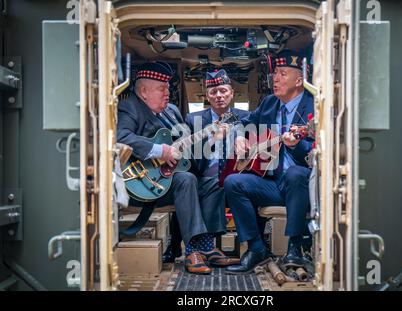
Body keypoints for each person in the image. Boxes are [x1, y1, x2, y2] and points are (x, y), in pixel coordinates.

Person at [117, 61, 233, 274]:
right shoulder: (130, 107)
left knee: (214, 182)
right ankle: (192, 250)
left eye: (168, 88)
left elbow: (187, 148)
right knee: (186, 180)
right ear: (143, 91)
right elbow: (121, 137)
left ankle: (207, 245)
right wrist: (161, 151)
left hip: (171, 180)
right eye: (162, 89)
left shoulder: (171, 111)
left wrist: (211, 139)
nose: (167, 93)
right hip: (142, 184)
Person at [224, 50, 315, 274]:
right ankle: (256, 249)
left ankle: (295, 247)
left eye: (283, 74)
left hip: (306, 185)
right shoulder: (269, 103)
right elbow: (242, 122)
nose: (275, 79)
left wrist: (298, 145)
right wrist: (238, 137)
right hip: (274, 184)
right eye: (275, 73)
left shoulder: (315, 106)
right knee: (233, 182)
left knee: (296, 173)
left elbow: (319, 152)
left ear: (299, 80)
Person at [162, 69, 249, 265]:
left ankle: (252, 247)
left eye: (223, 91)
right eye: (213, 92)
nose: (219, 96)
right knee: (194, 184)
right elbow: (187, 155)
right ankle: (205, 247)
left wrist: (241, 136)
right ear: (207, 95)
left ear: (232, 93)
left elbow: (252, 132)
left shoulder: (245, 117)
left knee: (224, 184)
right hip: (202, 175)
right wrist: (211, 141)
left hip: (235, 179)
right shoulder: (193, 120)